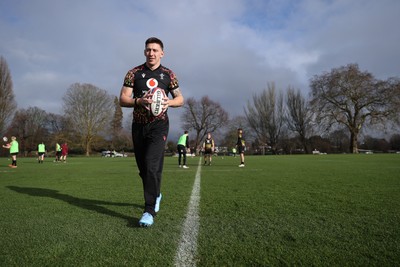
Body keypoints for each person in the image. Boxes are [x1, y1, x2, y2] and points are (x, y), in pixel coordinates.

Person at [119, 37, 184, 227]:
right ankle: (156, 194)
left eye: (155, 50)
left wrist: (168, 102)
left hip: (159, 125)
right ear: (144, 52)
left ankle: (149, 210)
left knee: (151, 164)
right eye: (148, 50)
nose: (151, 53)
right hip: (139, 125)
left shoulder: (169, 75)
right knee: (144, 170)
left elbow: (180, 99)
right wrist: (139, 101)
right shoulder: (134, 73)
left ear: (162, 53)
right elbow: (123, 99)